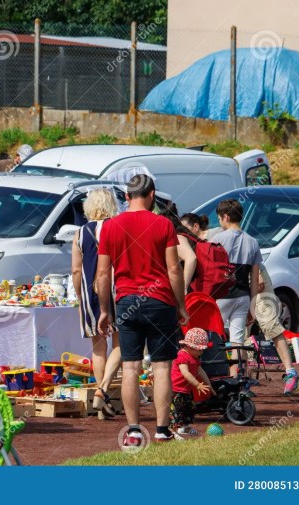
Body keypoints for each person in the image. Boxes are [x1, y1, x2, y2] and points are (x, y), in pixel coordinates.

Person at [96, 174, 187, 446]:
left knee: (131, 367)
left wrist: (104, 310)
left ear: (126, 196)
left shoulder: (111, 226)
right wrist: (181, 304)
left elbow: (102, 274)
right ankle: (161, 429)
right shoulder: (164, 224)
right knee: (161, 367)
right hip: (160, 301)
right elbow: (174, 268)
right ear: (151, 195)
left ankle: (134, 430)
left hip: (126, 301)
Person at [71, 188, 122, 419]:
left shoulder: (80, 233)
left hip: (90, 292)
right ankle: (104, 392)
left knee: (98, 347)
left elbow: (75, 270)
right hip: (115, 290)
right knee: (121, 343)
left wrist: (80, 296)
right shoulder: (118, 227)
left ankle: (102, 399)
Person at [211, 199, 261, 376]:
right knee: (237, 341)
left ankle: (214, 375)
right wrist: (253, 306)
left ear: (225, 217)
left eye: (219, 219)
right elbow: (254, 278)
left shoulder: (217, 239)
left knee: (214, 337)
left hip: (221, 295)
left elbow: (211, 272)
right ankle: (238, 378)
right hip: (243, 296)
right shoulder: (253, 242)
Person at [252, 264, 299, 396]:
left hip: (254, 273)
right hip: (233, 280)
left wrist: (259, 276)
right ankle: (241, 378)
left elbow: (254, 251)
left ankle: (291, 373)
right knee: (240, 333)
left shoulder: (249, 243)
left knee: (271, 326)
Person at [170, 328, 214, 437]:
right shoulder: (182, 355)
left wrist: (209, 386)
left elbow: (200, 371)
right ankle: (173, 431)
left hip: (187, 390)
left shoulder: (194, 357)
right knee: (177, 411)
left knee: (189, 409)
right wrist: (197, 385)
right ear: (189, 347)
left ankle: (185, 427)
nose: (201, 352)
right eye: (199, 350)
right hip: (177, 390)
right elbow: (186, 373)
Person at [164, 203, 198, 291]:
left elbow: (191, 258)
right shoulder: (187, 236)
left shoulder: (178, 238)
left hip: (191, 291)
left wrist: (183, 288)